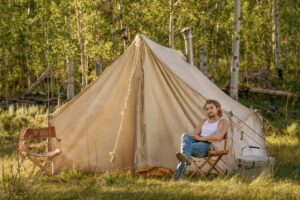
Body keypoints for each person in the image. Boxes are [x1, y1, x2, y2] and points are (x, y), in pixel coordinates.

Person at [173, 99, 228, 180]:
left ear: (218, 108)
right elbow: (194, 133)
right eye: (207, 109)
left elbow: (218, 137)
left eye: (211, 108)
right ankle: (186, 158)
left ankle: (177, 177)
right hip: (198, 141)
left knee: (186, 150)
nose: (209, 110)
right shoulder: (204, 121)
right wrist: (198, 137)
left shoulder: (222, 121)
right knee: (185, 136)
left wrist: (202, 138)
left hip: (209, 145)